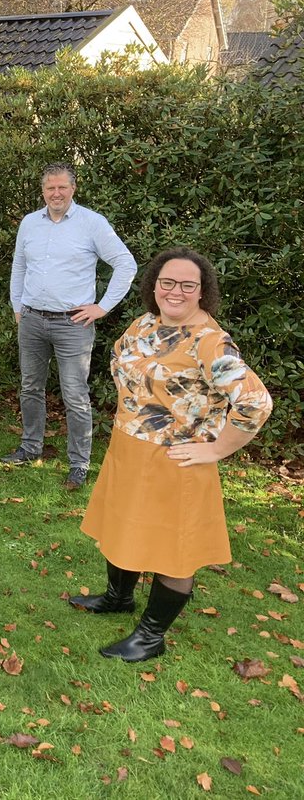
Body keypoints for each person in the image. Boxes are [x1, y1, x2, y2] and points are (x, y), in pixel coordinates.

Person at [74, 248, 271, 662]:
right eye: (167, 282)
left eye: (187, 285)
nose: (175, 291)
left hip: (175, 461)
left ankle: (151, 636)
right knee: (121, 526)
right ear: (154, 286)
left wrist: (217, 448)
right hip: (129, 449)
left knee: (173, 551)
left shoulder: (210, 342)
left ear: (202, 292)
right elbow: (123, 362)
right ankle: (118, 598)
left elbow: (256, 402)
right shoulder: (145, 322)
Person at [4, 163, 137, 489]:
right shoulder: (29, 223)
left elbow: (125, 263)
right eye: (50, 187)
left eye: (62, 187)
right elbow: (19, 265)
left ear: (73, 189)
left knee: (75, 395)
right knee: (30, 387)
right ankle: (30, 447)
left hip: (72, 324)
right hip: (31, 319)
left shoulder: (92, 223)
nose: (56, 193)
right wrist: (17, 306)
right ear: (43, 191)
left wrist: (102, 307)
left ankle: (78, 463)